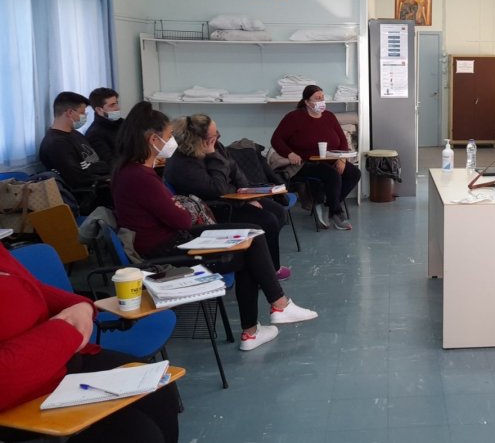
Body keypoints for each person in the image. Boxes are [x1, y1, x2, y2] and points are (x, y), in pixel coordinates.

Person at [112, 102, 317, 351]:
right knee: (252, 243)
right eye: (168, 136)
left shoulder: (131, 171)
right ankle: (269, 315)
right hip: (168, 248)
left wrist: (176, 206)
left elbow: (176, 213)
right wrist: (176, 207)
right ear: (153, 140)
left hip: (172, 238)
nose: (171, 141)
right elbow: (182, 220)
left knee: (252, 236)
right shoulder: (141, 176)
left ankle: (266, 318)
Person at [0, 244, 180, 443]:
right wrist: (66, 328)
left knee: (159, 390)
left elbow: (30, 287)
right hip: (21, 390)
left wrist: (79, 304)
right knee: (137, 434)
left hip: (62, 359)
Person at [165, 114, 291, 280]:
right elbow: (217, 189)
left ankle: (266, 264)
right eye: (213, 136)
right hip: (213, 208)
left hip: (231, 198)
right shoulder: (183, 164)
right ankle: (267, 271)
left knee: (278, 212)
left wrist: (249, 196)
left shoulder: (214, 145)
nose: (218, 138)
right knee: (268, 220)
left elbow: (234, 169)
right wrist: (212, 155)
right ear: (200, 140)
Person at [271, 85, 360, 231]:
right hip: (303, 163)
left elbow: (343, 141)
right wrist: (290, 153)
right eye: (317, 98)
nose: (321, 101)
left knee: (354, 173)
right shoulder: (294, 117)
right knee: (332, 175)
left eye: (323, 98)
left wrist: (342, 159)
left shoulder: (329, 117)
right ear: (307, 102)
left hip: (329, 159)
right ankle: (336, 213)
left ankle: (326, 204)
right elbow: (276, 140)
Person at [39, 92, 111, 190]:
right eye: (82, 113)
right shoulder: (56, 144)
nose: (85, 116)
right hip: (90, 192)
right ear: (69, 113)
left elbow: (97, 163)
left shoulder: (75, 134)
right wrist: (107, 179)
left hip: (102, 181)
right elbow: (77, 179)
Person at [86, 87, 124, 163]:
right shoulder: (94, 134)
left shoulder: (124, 123)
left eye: (117, 103)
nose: (118, 108)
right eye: (112, 105)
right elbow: (110, 162)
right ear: (99, 110)